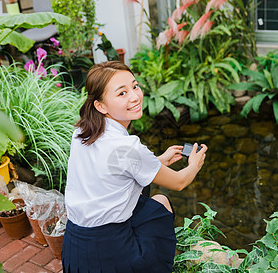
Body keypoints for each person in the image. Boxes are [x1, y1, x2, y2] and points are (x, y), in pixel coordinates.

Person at [62, 61, 208, 272]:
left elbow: (113, 170)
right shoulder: (127, 147)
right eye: (122, 93)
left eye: (135, 86)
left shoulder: (82, 132)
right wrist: (194, 165)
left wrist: (159, 160)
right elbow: (179, 182)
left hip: (76, 250)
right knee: (160, 201)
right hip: (111, 255)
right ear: (100, 105)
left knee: (144, 195)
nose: (134, 96)